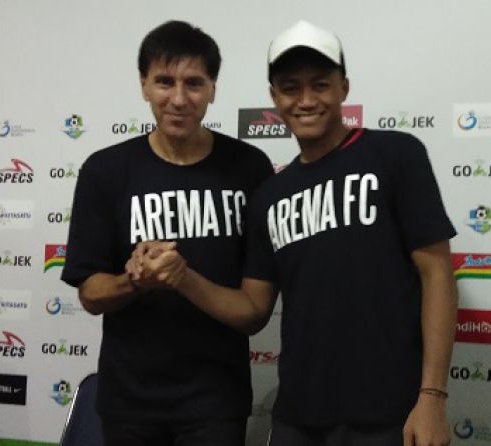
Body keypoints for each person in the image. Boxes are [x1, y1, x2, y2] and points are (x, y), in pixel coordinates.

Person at [136, 20, 457, 446]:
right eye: (291, 88)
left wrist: (432, 396)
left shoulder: (395, 155)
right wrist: (182, 277)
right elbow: (253, 308)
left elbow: (437, 273)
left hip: (390, 413)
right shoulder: (270, 195)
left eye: (320, 85)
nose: (306, 100)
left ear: (344, 88)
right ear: (274, 98)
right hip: (298, 417)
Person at [60, 20, 274, 446]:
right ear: (143, 85)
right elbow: (90, 296)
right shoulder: (105, 171)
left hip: (215, 402)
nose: (178, 99)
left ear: (213, 89)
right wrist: (134, 280)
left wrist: (182, 277)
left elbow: (254, 313)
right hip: (129, 403)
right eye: (164, 81)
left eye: (194, 83)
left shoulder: (250, 168)